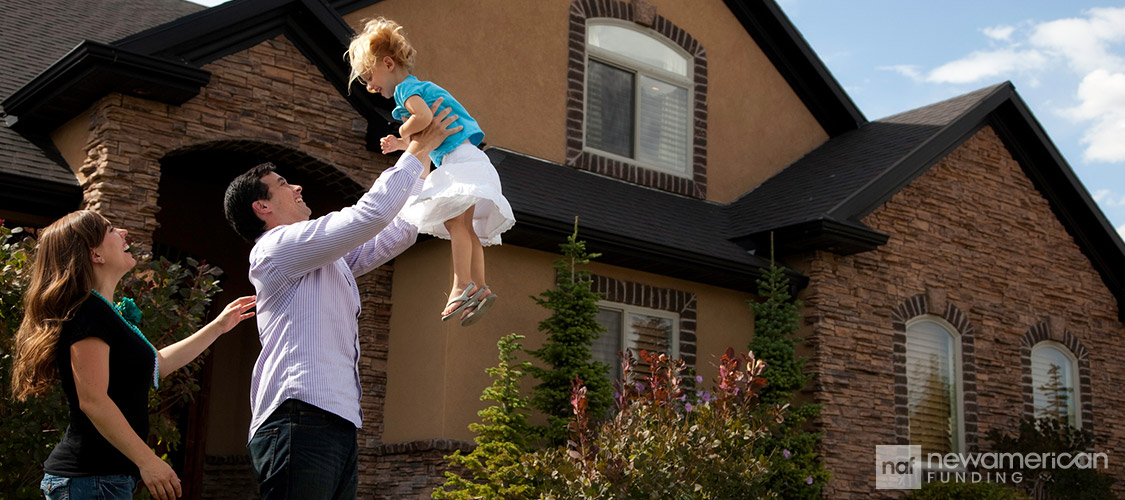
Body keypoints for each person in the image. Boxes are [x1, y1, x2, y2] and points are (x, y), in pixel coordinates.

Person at [222, 99, 459, 500]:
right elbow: (370, 215)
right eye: (283, 185)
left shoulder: (326, 260)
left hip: (334, 420)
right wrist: (417, 149)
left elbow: (395, 231)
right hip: (298, 418)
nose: (297, 187)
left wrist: (427, 161)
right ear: (262, 208)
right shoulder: (275, 248)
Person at [10, 210, 257, 500]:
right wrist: (148, 461)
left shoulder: (103, 312)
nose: (124, 233)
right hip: (91, 480)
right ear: (96, 255)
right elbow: (93, 400)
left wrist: (218, 327)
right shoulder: (89, 312)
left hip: (101, 480)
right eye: (112, 230)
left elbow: (158, 365)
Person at [347, 17, 515, 326]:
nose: (370, 87)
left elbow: (423, 118)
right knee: (466, 227)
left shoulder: (406, 91)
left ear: (387, 63)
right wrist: (402, 143)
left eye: (370, 77)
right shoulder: (417, 87)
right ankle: (480, 286)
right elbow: (425, 134)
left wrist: (402, 128)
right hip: (470, 160)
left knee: (455, 223)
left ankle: (461, 284)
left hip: (461, 163)